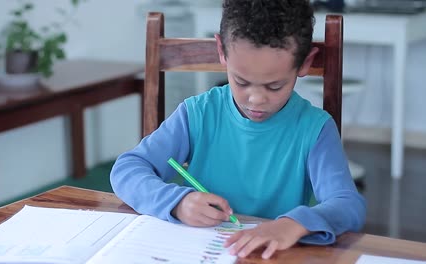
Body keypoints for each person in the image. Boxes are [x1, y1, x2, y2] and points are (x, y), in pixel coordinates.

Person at [111, 0, 366, 259]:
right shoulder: (198, 113)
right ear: (222, 51)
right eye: (241, 81)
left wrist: (293, 225)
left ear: (304, 63)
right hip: (199, 251)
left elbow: (348, 205)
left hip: (270, 256)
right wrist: (176, 202)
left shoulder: (315, 129)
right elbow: (127, 170)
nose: (255, 99)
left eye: (274, 86)